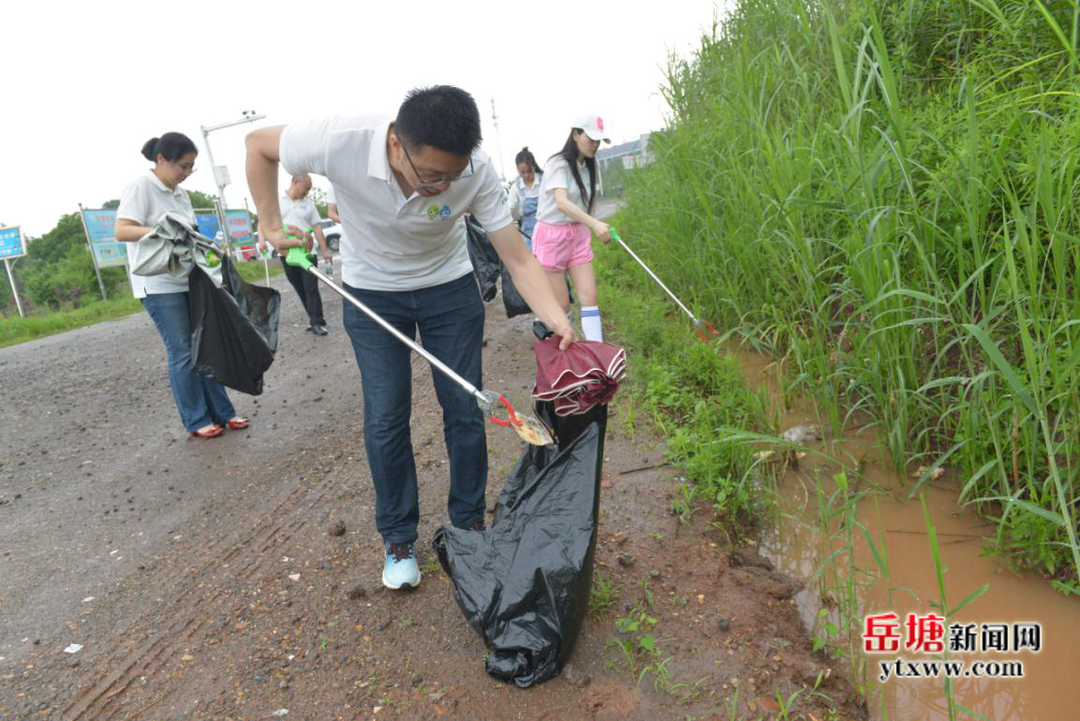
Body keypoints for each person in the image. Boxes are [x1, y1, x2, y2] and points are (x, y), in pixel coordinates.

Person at [246, 85, 575, 591]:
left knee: (466, 407)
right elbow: (258, 144)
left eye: (453, 175)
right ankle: (398, 538)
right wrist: (269, 222)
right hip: (373, 292)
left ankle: (468, 526)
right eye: (431, 175)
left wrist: (556, 317)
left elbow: (517, 256)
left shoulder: (478, 170)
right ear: (396, 145)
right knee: (386, 414)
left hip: (449, 288)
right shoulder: (342, 140)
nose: (443, 186)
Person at [115, 132, 249, 439]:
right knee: (183, 352)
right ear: (161, 159)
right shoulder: (141, 187)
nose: (187, 173)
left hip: (188, 279)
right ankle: (197, 418)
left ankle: (224, 412)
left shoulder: (180, 194)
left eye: (191, 167)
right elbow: (123, 231)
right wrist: (166, 232)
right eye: (183, 166)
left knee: (206, 346)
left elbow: (189, 234)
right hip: (158, 284)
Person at [533, 115, 612, 342]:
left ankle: (597, 359)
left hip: (576, 235)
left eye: (599, 140)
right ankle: (567, 360)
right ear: (576, 134)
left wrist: (590, 224)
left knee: (589, 296)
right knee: (562, 305)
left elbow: (579, 204)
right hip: (552, 237)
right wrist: (595, 223)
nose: (595, 144)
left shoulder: (587, 165)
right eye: (592, 138)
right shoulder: (558, 164)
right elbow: (561, 202)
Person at [271, 173, 332, 335]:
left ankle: (317, 321)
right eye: (306, 188)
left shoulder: (309, 205)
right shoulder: (277, 202)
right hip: (287, 254)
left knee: (311, 287)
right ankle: (312, 318)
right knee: (299, 287)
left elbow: (317, 227)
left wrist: (324, 250)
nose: (307, 192)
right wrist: (264, 241)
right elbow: (268, 224)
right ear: (295, 182)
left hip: (307, 252)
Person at [507, 147, 542, 249]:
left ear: (534, 167)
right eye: (522, 172)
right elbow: (510, 210)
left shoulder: (544, 181)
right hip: (528, 232)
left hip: (548, 227)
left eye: (529, 171)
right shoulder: (516, 187)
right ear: (518, 170)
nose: (526, 175)